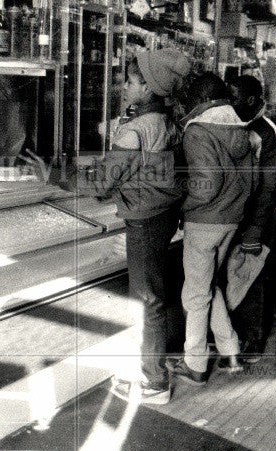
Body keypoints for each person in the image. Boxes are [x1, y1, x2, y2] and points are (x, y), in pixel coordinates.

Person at [25, 49, 191, 405]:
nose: (125, 87)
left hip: (144, 221)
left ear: (148, 87)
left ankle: (154, 383)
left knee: (146, 301)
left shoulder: (136, 130)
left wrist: (53, 174)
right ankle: (152, 371)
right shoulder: (166, 122)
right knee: (155, 296)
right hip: (162, 215)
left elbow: (100, 183)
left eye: (131, 82)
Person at [167, 73, 253, 385]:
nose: (185, 106)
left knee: (195, 295)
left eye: (189, 100)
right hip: (231, 219)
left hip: (204, 222)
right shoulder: (239, 127)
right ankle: (230, 350)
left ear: (201, 101)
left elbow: (205, 186)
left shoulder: (198, 130)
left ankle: (195, 364)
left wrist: (180, 202)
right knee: (208, 286)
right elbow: (250, 180)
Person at [228, 76, 276, 355]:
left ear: (251, 100)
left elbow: (272, 187)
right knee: (235, 272)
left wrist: (255, 227)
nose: (229, 103)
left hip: (261, 217)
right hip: (236, 215)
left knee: (255, 274)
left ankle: (253, 337)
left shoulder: (271, 135)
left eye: (234, 97)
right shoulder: (236, 124)